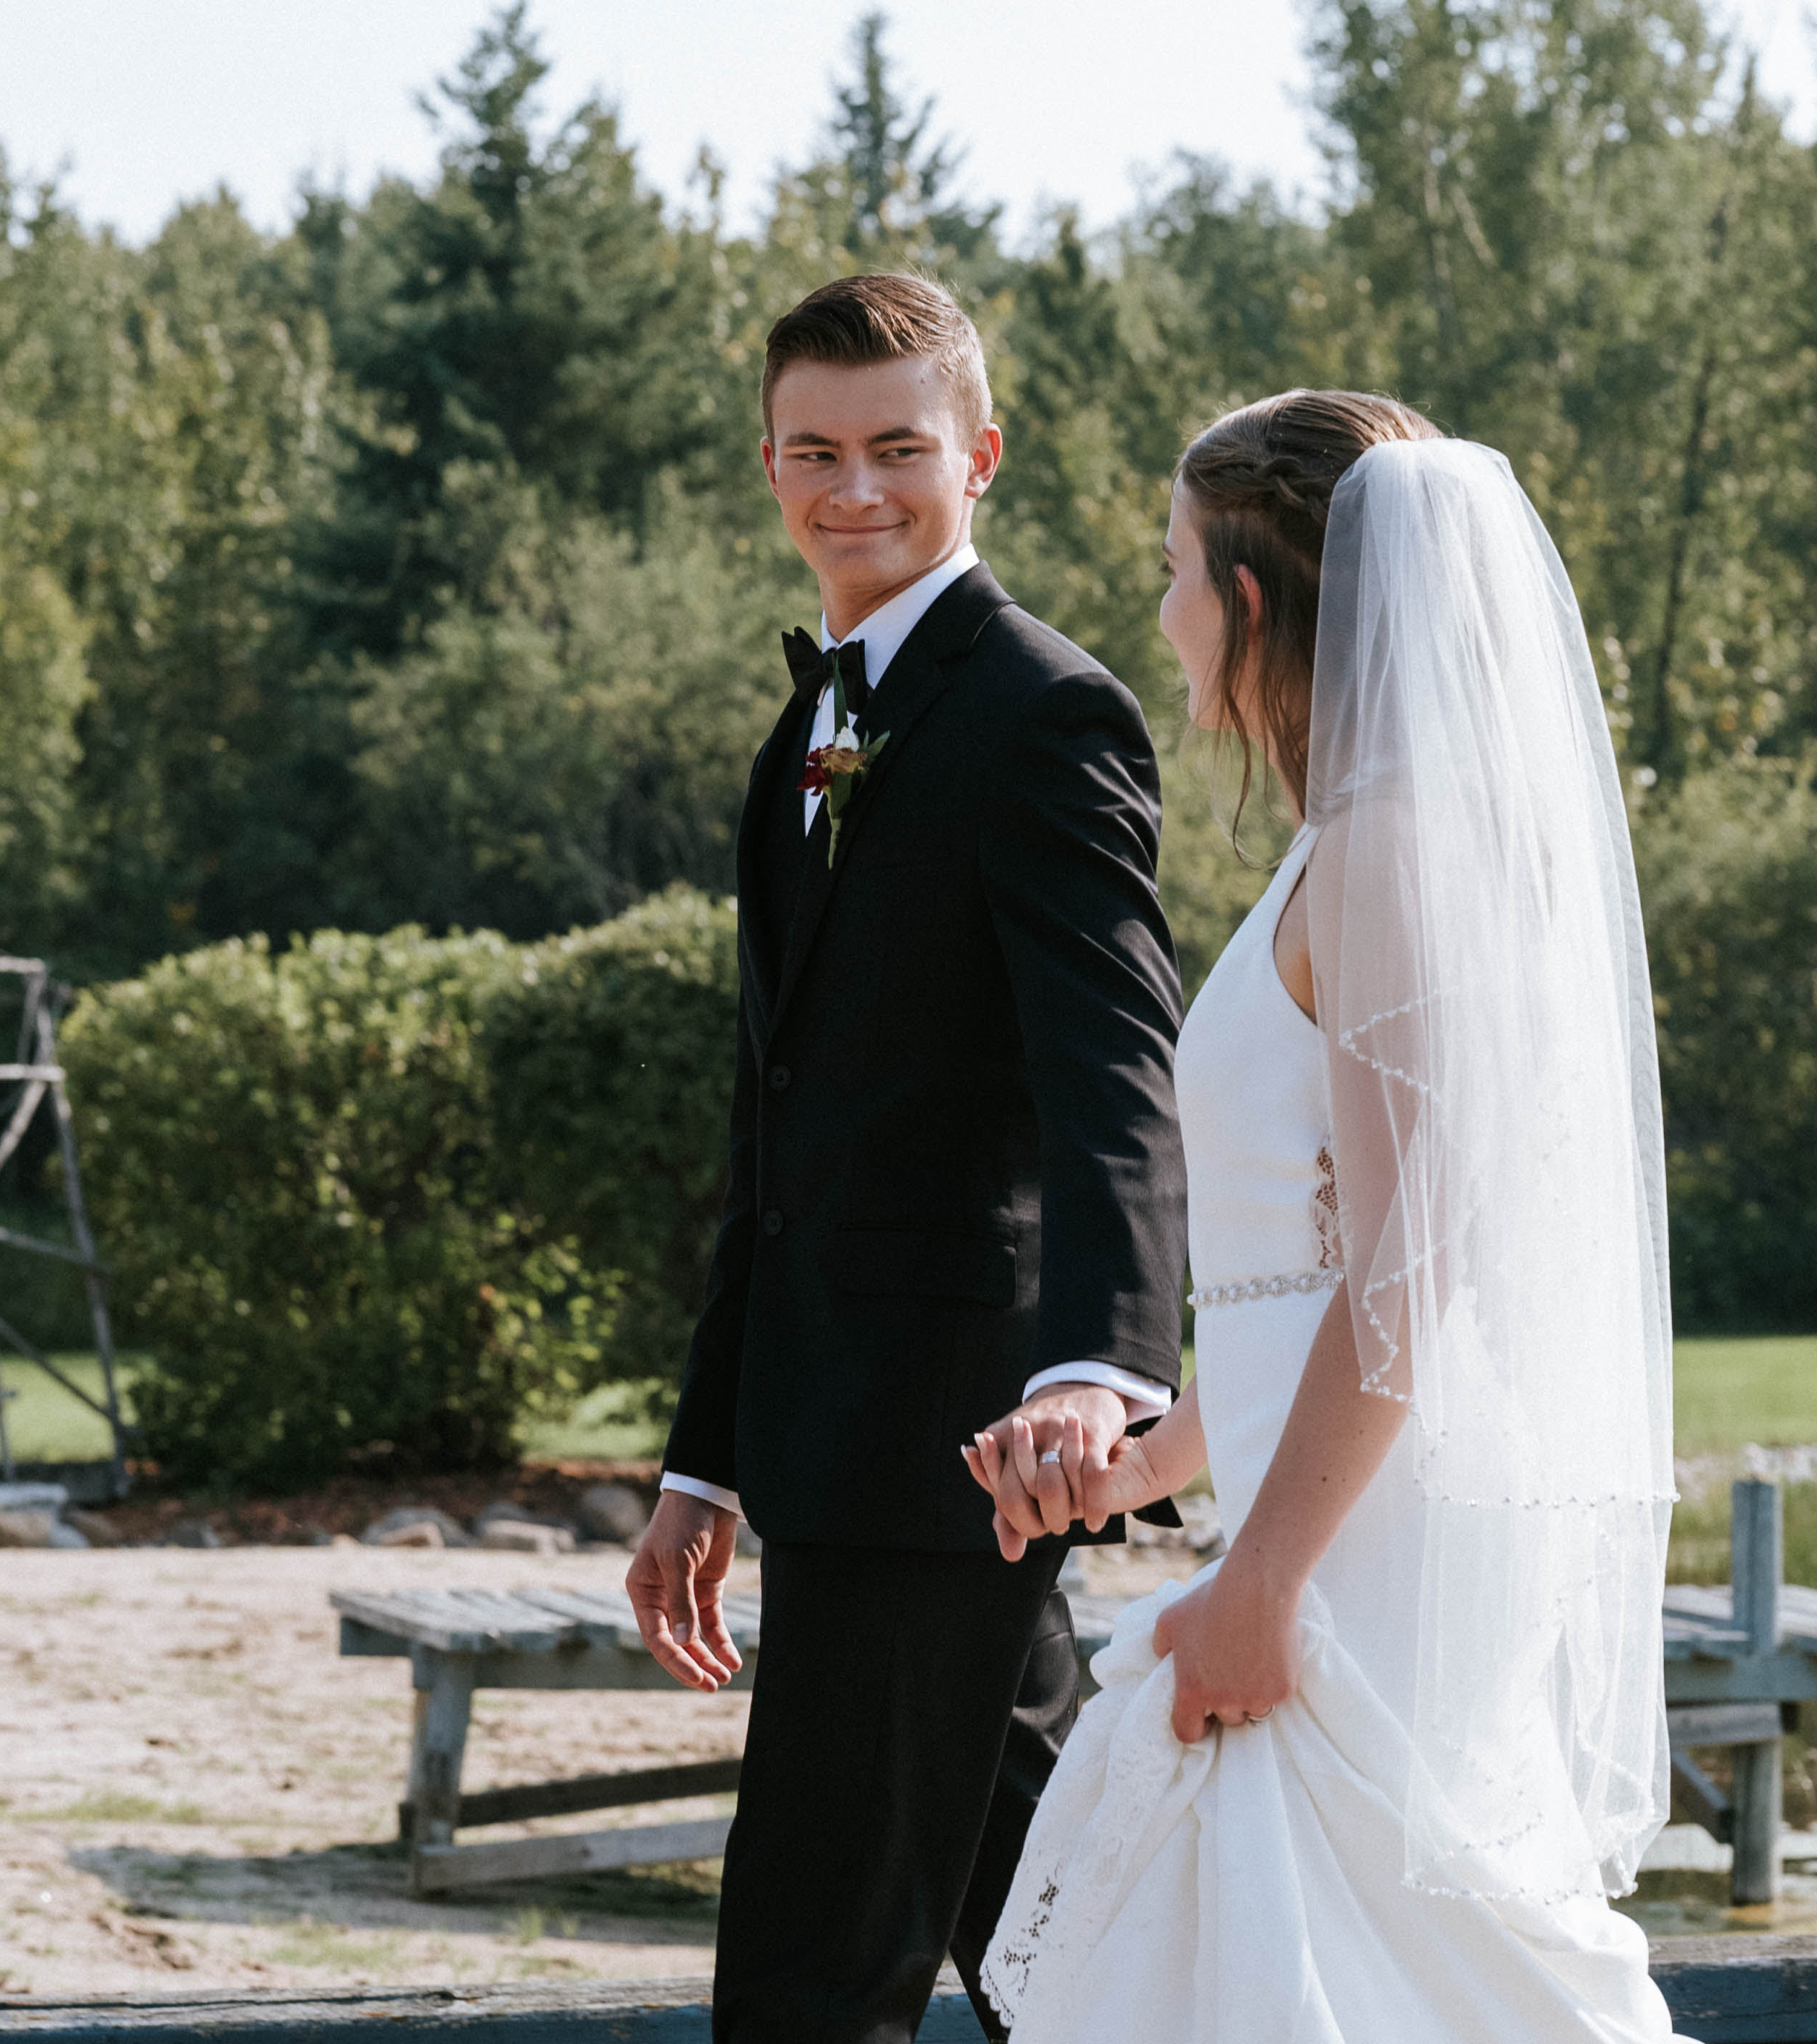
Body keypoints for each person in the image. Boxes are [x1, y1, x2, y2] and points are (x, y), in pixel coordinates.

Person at [966, 393, 1688, 2044]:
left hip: (1368, 1545)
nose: (1159, 610)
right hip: (1333, 1502)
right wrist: (1149, 1463)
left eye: (1173, 571)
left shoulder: (1385, 856)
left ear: (1251, 601)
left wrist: (1263, 1585)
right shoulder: (1340, 852)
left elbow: (1408, 1273)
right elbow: (1292, 1270)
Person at [622, 272, 1192, 2044]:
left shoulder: (1044, 712)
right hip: (836, 1434)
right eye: (812, 452)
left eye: (895, 448)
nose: (851, 488)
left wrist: (1098, 1366)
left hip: (956, 1429)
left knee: (807, 1976)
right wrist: (705, 1463)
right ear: (768, 465)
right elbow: (777, 1135)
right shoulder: (804, 734)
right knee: (1063, 1952)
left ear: (979, 457)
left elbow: (1117, 1070)